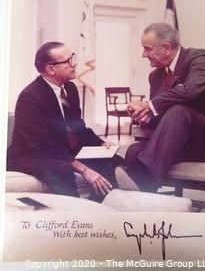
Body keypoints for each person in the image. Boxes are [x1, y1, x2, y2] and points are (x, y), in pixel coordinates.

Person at [122, 22, 205, 192]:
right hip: (184, 141)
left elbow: (190, 91)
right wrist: (142, 114)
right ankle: (143, 199)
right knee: (134, 150)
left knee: (179, 112)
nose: (143, 54)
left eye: (147, 49)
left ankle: (145, 180)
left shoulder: (199, 58)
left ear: (167, 47)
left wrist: (150, 105)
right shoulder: (155, 77)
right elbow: (160, 115)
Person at [7, 41, 124, 201]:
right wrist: (84, 169)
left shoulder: (70, 88)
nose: (74, 64)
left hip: (61, 150)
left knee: (113, 160)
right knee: (62, 170)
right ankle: (72, 218)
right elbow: (41, 146)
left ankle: (94, 209)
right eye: (68, 61)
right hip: (33, 155)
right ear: (50, 69)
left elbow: (78, 128)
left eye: (73, 58)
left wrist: (101, 144)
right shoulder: (31, 97)